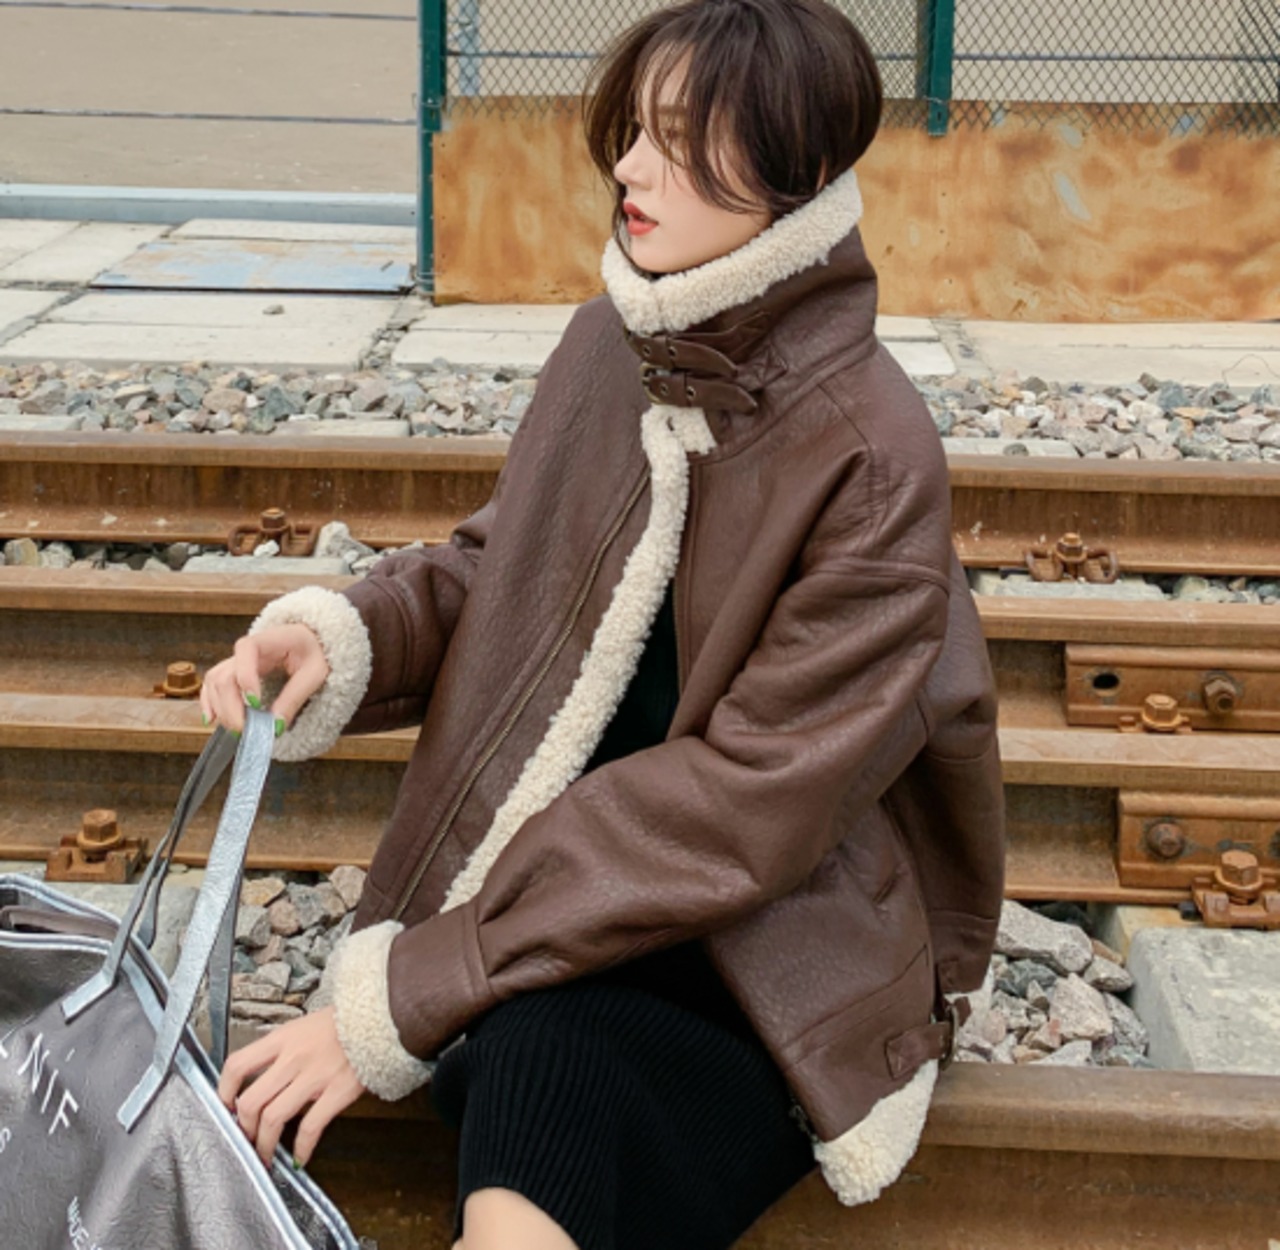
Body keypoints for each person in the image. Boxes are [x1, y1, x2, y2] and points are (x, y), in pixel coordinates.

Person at [208, 1, 1006, 1247]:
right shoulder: (616, 344)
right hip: (560, 909)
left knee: (541, 1062)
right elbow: (506, 575)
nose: (629, 167)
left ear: (794, 167)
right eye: (633, 128)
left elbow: (747, 804)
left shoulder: (871, 454)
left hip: (766, 949)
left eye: (678, 140)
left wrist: (401, 996)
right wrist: (343, 639)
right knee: (526, 1056)